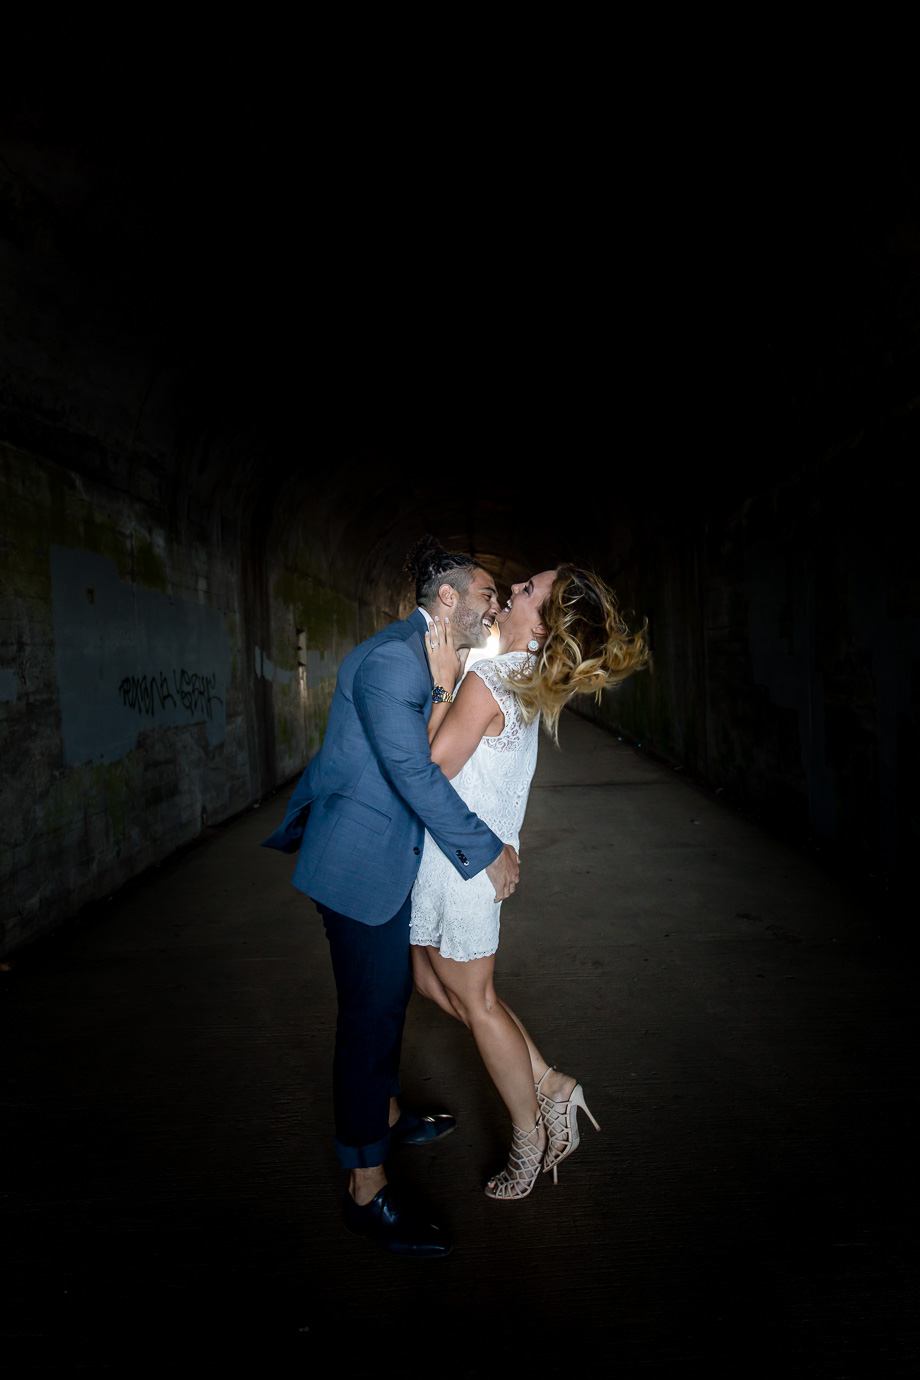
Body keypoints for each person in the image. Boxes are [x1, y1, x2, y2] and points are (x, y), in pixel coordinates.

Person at [261, 536, 520, 1257]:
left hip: (383, 863)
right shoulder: (395, 663)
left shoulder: (422, 653)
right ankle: (365, 1189)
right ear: (447, 601)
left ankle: (389, 1110)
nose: (494, 605)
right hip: (358, 870)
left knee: (389, 1002)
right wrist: (485, 852)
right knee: (370, 1021)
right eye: (487, 595)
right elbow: (414, 771)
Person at [410, 564, 648, 1200]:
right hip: (459, 858)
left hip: (463, 863)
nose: (512, 591)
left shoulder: (491, 679)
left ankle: (530, 1133)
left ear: (540, 625)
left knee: (476, 1003)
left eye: (525, 591)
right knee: (433, 984)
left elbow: (433, 765)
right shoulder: (524, 679)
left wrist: (439, 685)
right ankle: (547, 1083)